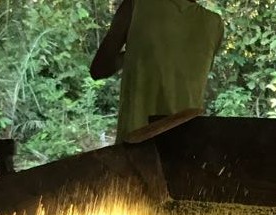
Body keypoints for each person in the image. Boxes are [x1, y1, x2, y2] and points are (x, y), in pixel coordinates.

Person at [89, 0, 224, 143]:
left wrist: (134, 53)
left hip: (137, 141)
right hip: (186, 142)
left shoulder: (137, 5)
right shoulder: (214, 24)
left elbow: (99, 69)